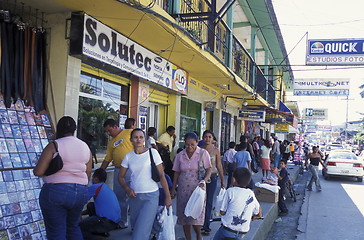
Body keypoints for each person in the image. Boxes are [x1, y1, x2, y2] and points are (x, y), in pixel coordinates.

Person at [34, 116, 92, 239]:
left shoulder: (54, 145)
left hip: (56, 192)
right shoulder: (85, 147)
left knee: (56, 231)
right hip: (80, 192)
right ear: (74, 129)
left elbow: (38, 171)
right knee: (73, 227)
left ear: (58, 129)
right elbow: (88, 173)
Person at [118, 128, 172, 240]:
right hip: (135, 197)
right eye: (135, 137)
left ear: (144, 139)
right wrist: (127, 189)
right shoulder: (128, 156)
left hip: (151, 196)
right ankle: (153, 234)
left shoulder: (153, 153)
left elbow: (162, 176)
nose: (138, 140)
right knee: (138, 227)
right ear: (131, 139)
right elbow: (120, 177)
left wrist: (168, 197)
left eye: (141, 137)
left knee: (139, 234)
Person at [170, 132, 212, 240]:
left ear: (197, 142)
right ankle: (188, 238)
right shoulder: (180, 155)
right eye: (187, 145)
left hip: (198, 188)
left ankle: (198, 235)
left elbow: (209, 169)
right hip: (183, 189)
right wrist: (173, 188)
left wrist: (205, 180)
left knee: (196, 214)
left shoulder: (203, 153)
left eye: (192, 144)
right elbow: (176, 172)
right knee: (184, 215)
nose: (190, 147)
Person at [100, 118, 136, 228]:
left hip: (132, 169)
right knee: (120, 197)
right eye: (107, 131)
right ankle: (123, 221)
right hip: (118, 170)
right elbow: (108, 158)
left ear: (116, 126)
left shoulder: (129, 133)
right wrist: (100, 171)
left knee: (134, 197)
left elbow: (139, 147)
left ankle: (136, 224)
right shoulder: (111, 142)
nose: (108, 133)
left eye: (110, 130)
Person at [213, 168, 262, 240]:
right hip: (242, 233)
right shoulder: (250, 193)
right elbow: (259, 212)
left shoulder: (230, 191)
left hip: (227, 231)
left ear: (233, 179)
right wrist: (257, 216)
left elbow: (222, 212)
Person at [80, 168, 120, 239]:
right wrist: (82, 213)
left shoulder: (95, 187)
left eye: (93, 177)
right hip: (115, 221)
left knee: (80, 226)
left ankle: (98, 237)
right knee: (91, 206)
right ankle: (101, 232)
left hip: (106, 221)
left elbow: (80, 201)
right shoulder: (105, 187)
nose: (91, 179)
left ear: (96, 178)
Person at [201, 130, 225, 236]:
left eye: (209, 137)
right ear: (202, 138)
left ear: (213, 139)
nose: (207, 139)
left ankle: (206, 225)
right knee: (200, 201)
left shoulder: (215, 151)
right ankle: (198, 223)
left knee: (209, 202)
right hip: (200, 179)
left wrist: (223, 180)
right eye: (205, 137)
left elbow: (219, 165)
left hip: (213, 178)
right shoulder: (199, 150)